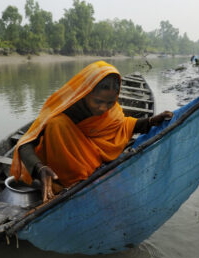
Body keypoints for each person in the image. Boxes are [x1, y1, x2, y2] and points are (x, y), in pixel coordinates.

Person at [10, 61, 173, 202]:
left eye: (110, 103)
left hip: (96, 162)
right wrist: (39, 169)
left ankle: (91, 178)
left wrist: (150, 121)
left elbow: (124, 125)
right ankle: (68, 185)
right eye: (98, 101)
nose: (103, 108)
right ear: (86, 92)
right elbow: (25, 144)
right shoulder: (62, 106)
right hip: (62, 173)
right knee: (56, 124)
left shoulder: (111, 110)